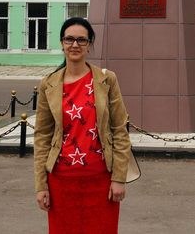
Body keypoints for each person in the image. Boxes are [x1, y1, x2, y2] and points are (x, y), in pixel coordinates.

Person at [34, 17, 132, 233]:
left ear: (89, 44)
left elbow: (120, 131)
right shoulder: (48, 84)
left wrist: (119, 178)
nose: (75, 45)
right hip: (61, 181)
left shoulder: (107, 80)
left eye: (81, 40)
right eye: (69, 39)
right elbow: (42, 136)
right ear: (61, 43)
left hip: (100, 179)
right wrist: (41, 186)